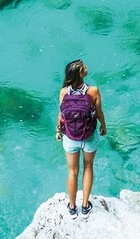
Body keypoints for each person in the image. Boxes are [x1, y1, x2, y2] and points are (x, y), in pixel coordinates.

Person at [56, 59, 107, 220]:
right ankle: (85, 207)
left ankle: (72, 208)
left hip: (70, 137)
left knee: (72, 172)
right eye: (83, 66)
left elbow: (62, 114)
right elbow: (99, 113)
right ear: (80, 73)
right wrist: (104, 126)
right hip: (89, 137)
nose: (86, 67)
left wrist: (58, 130)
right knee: (88, 166)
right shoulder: (93, 91)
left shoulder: (64, 91)